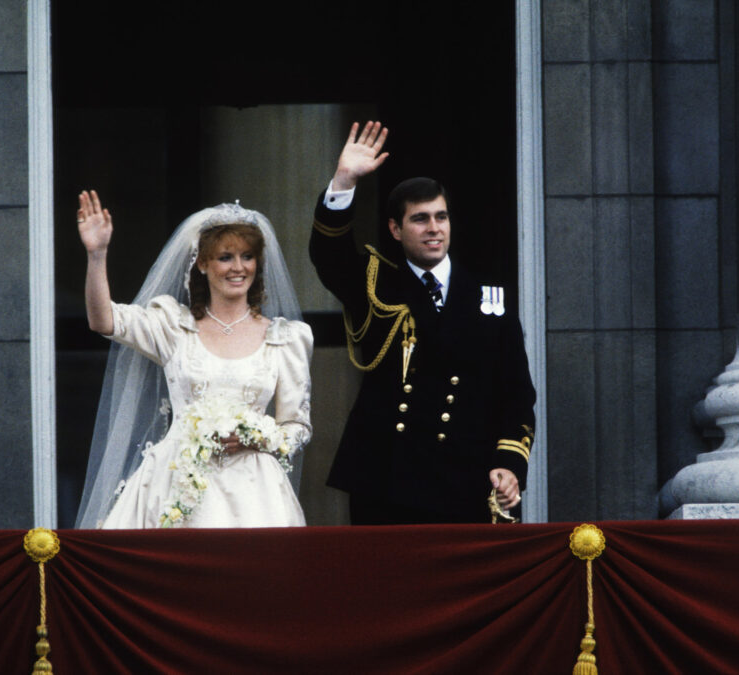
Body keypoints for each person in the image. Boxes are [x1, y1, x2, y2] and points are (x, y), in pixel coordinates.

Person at [309, 121, 536, 524]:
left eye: (441, 217)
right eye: (420, 219)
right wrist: (344, 181)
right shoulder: (375, 283)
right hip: (387, 479)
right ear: (395, 229)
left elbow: (515, 394)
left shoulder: (488, 296)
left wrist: (509, 464)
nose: (434, 228)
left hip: (465, 477)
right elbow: (329, 255)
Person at [74, 190, 312, 529]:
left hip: (254, 491)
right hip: (174, 478)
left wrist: (259, 438)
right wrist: (97, 255)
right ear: (202, 263)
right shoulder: (174, 327)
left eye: (247, 256)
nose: (238, 267)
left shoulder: (285, 338)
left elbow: (297, 426)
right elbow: (104, 321)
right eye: (225, 257)